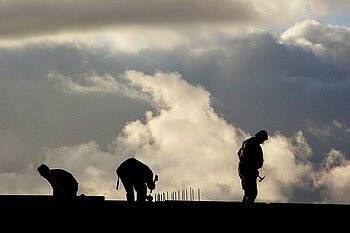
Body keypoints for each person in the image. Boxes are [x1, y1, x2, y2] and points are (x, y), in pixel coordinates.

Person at [237, 129, 268, 204]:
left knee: (249, 192)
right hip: (247, 170)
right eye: (263, 139)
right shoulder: (250, 143)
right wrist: (252, 166)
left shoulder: (250, 143)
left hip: (247, 170)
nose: (262, 142)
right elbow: (243, 155)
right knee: (251, 192)